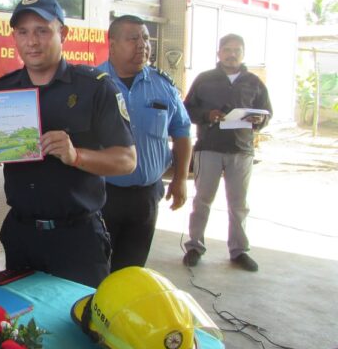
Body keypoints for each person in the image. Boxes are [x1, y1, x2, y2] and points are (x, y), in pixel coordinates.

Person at [0, 0, 136, 288]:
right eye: (23, 32)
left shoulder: (96, 88)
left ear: (63, 33)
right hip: (21, 234)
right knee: (21, 328)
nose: (32, 41)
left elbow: (127, 161)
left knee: (79, 326)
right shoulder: (2, 92)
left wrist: (76, 156)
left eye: (42, 30)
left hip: (78, 239)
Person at [97, 15, 192, 270]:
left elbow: (182, 130)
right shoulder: (92, 85)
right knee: (97, 268)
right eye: (133, 39)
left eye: (146, 38)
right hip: (102, 195)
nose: (142, 45)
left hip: (146, 196)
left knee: (132, 270)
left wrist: (181, 178)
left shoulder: (163, 86)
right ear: (113, 45)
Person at [183, 33, 273, 272]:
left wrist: (259, 120)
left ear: (243, 54)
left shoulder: (253, 82)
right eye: (228, 50)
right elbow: (187, 110)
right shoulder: (204, 80)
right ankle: (194, 246)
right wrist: (207, 115)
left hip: (241, 150)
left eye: (237, 50)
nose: (232, 54)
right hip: (209, 148)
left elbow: (267, 113)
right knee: (202, 200)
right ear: (219, 52)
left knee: (238, 204)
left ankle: (239, 250)